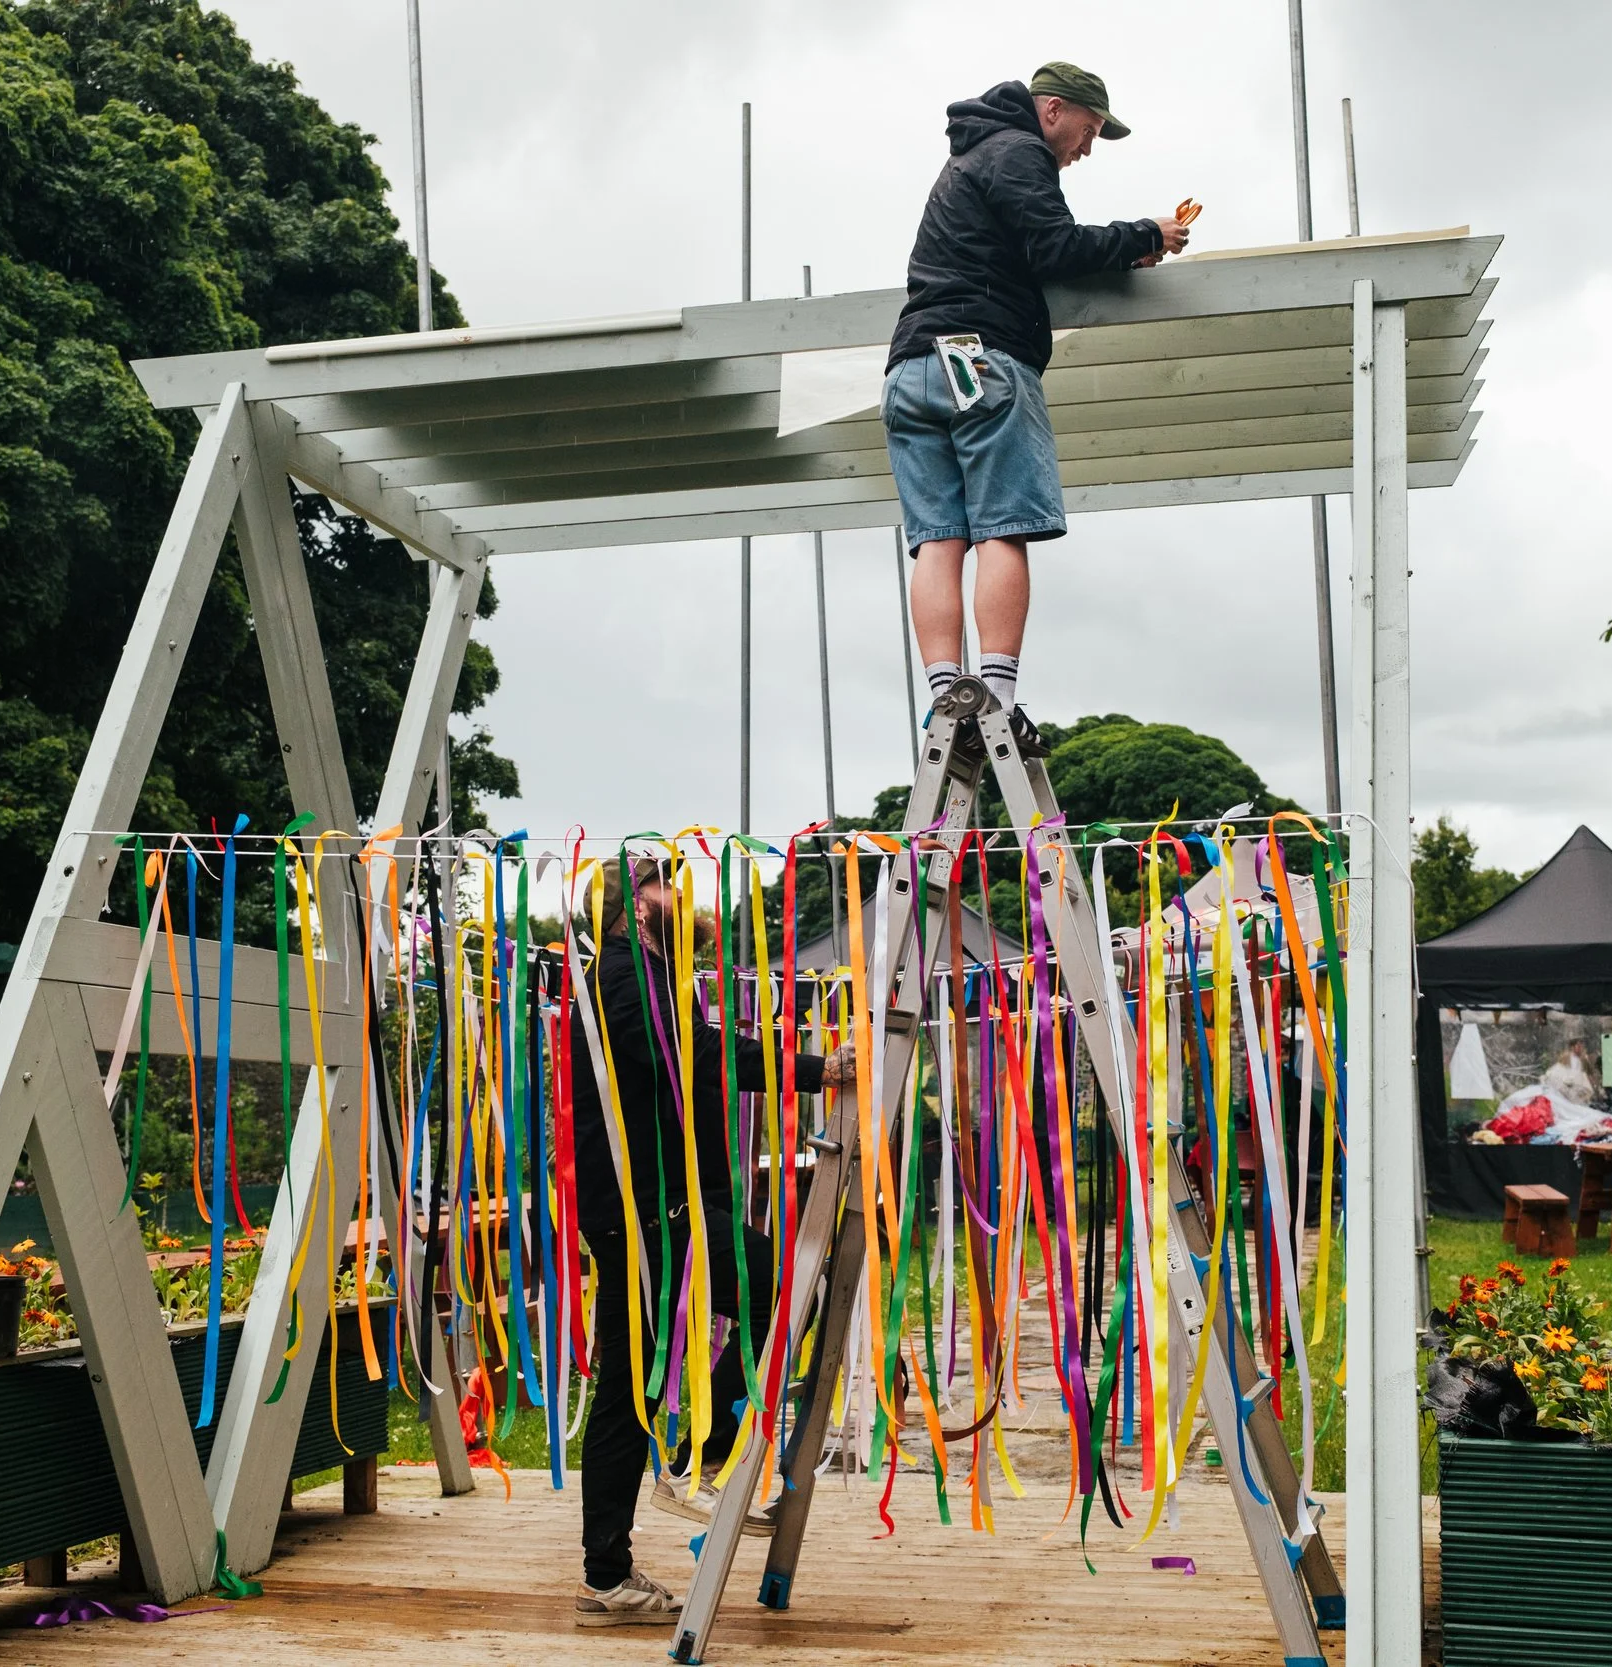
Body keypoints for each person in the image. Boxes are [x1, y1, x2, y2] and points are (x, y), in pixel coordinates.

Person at [566, 856, 856, 1626]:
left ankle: (616, 1559)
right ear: (630, 905)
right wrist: (813, 1066)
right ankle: (714, 1439)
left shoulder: (652, 978)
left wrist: (814, 1066)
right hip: (647, 1214)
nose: (680, 892)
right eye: (662, 881)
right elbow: (692, 1056)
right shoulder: (623, 974)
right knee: (777, 1289)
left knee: (636, 1383)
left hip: (665, 1209)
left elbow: (703, 1047)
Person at [883, 62, 1191, 718]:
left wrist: (1115, 252)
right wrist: (1145, 234)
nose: (1086, 148)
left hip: (911, 369)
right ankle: (995, 696)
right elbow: (1052, 246)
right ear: (1052, 110)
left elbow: (1024, 250)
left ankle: (947, 698)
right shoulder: (1020, 151)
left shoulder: (968, 158)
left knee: (938, 538)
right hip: (974, 358)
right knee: (1003, 529)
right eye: (1089, 130)